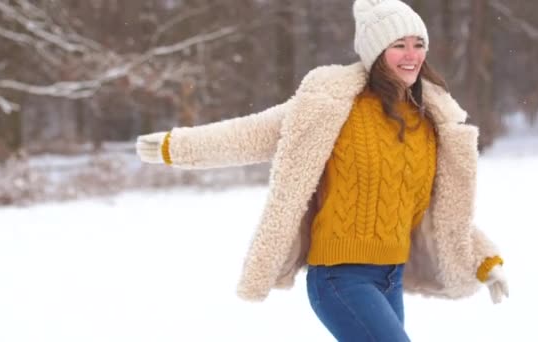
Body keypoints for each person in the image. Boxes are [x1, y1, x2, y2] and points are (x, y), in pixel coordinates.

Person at [135, 0, 509, 340]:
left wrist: (482, 258)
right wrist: (175, 146)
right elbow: (251, 133)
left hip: (391, 277)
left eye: (418, 44)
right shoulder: (333, 105)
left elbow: (438, 207)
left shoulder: (431, 119)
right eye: (399, 45)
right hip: (339, 277)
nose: (411, 55)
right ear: (376, 52)